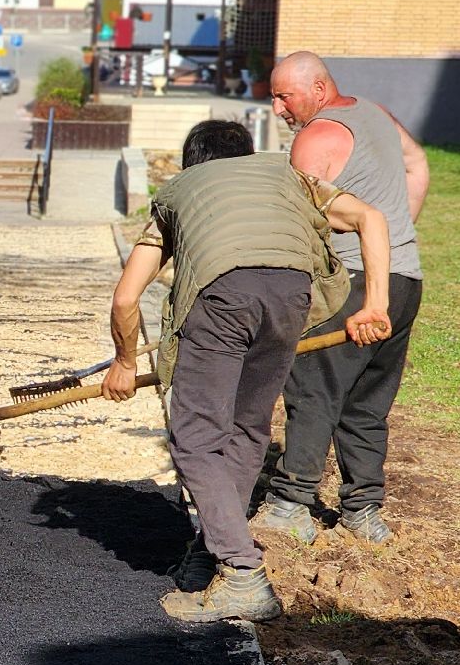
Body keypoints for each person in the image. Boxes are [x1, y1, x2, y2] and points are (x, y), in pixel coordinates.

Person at [104, 119, 392, 623]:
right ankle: (211, 552)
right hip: (291, 295)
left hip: (224, 297)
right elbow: (371, 217)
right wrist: (374, 306)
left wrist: (126, 364)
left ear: (194, 162)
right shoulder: (288, 176)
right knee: (245, 431)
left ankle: (241, 574)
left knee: (195, 438)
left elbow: (127, 296)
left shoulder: (179, 193)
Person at [257, 52, 428, 545]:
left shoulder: (317, 136)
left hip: (349, 285)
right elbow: (417, 165)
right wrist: (397, 236)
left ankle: (291, 503)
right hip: (403, 281)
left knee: (314, 388)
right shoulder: (377, 114)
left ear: (317, 89)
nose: (277, 108)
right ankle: (363, 509)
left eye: (284, 96)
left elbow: (299, 223)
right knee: (368, 401)